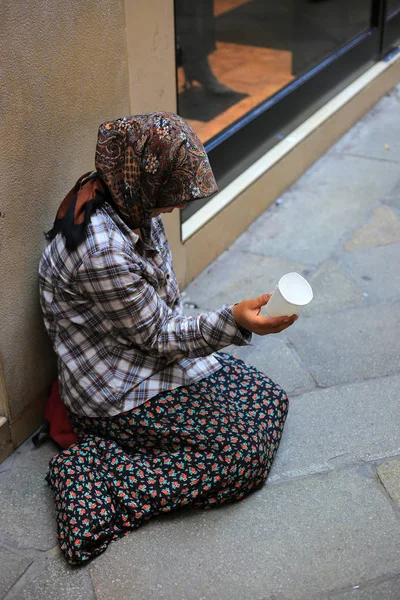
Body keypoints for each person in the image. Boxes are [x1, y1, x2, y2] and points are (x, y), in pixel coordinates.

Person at [39, 112, 297, 565]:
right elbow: (159, 334)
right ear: (147, 177)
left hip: (144, 358)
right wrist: (234, 321)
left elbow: (164, 308)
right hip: (117, 392)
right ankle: (90, 469)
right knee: (241, 459)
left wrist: (222, 326)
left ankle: (126, 450)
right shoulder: (104, 250)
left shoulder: (131, 202)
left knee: (268, 399)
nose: (177, 205)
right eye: (173, 193)